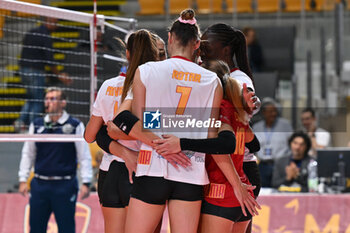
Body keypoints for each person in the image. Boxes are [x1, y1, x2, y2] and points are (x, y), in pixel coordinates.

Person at [122, 9, 226, 233]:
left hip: (152, 167)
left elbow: (141, 123)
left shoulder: (146, 71)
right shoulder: (212, 80)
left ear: (170, 37)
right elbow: (210, 134)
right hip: (191, 171)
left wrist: (164, 143)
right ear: (197, 43)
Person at [152, 60, 261, 233]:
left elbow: (222, 148)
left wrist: (180, 143)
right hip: (241, 192)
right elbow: (254, 145)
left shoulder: (219, 108)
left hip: (221, 194)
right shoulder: (236, 109)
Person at [84, 29, 161, 233]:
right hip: (140, 168)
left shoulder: (109, 85)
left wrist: (115, 137)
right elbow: (153, 131)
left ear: (127, 54)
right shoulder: (150, 86)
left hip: (109, 172)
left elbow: (89, 135)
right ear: (155, 55)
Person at [200, 23, 262, 233]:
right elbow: (253, 141)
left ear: (226, 49)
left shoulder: (238, 80)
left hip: (237, 169)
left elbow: (249, 103)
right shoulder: (213, 77)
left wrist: (250, 105)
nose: (202, 48)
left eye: (207, 44)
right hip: (231, 170)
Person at [18, 87, 92, 233]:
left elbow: (84, 155)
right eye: (47, 98)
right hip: (40, 185)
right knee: (36, 228)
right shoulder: (37, 124)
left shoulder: (75, 125)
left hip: (65, 185)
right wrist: (22, 179)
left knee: (66, 228)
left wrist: (86, 181)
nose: (48, 102)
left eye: (53, 98)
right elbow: (28, 153)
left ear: (63, 102)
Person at [15, 17, 71, 129]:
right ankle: (33, 126)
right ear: (49, 21)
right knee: (38, 100)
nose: (57, 26)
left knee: (31, 98)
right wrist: (59, 75)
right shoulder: (45, 36)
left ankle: (20, 122)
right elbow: (49, 59)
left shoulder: (31, 32)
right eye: (55, 22)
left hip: (23, 70)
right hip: (35, 71)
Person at [253, 97, 293, 187]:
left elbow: (292, 143)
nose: (274, 114)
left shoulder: (285, 125)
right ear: (263, 112)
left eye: (275, 111)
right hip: (262, 165)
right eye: (270, 111)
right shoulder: (256, 127)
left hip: (280, 164)